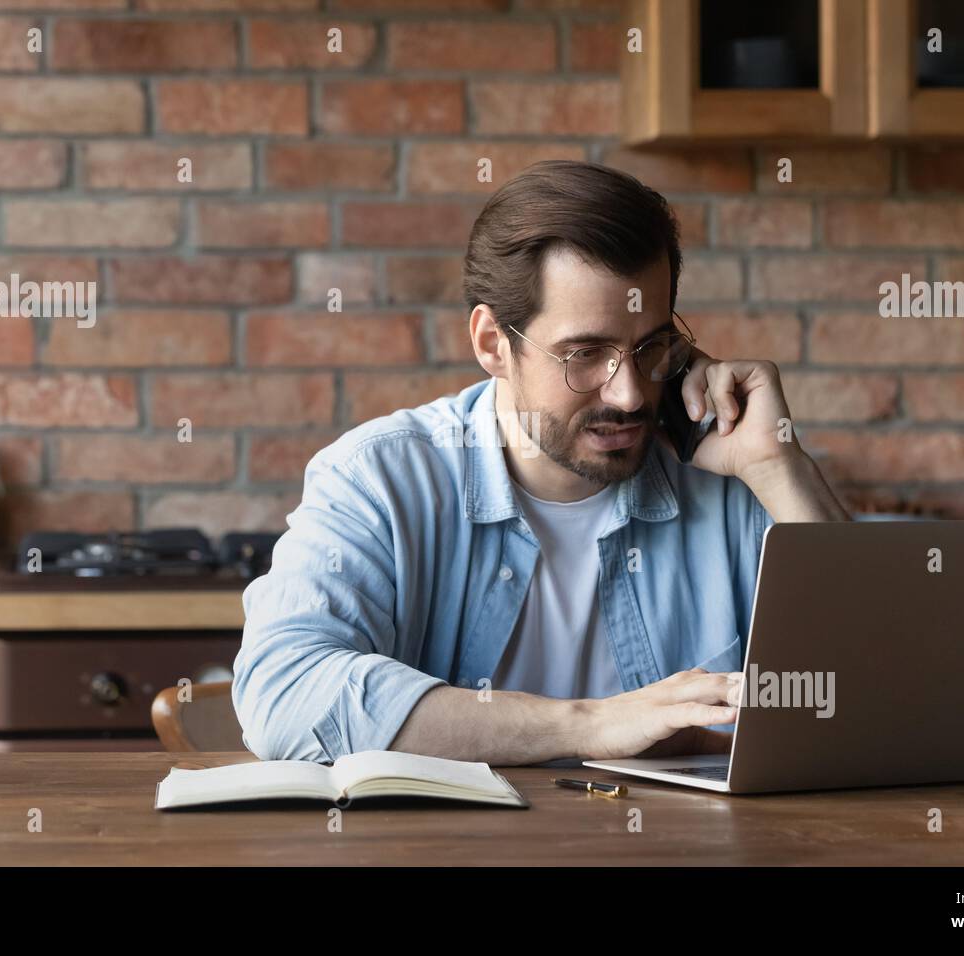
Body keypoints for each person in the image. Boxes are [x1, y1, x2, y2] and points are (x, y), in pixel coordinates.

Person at [233, 160, 848, 765]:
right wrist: (591, 724)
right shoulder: (380, 480)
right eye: (585, 353)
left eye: (650, 347)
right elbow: (285, 695)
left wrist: (776, 464)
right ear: (492, 344)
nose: (629, 393)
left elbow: (872, 694)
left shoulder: (727, 479)